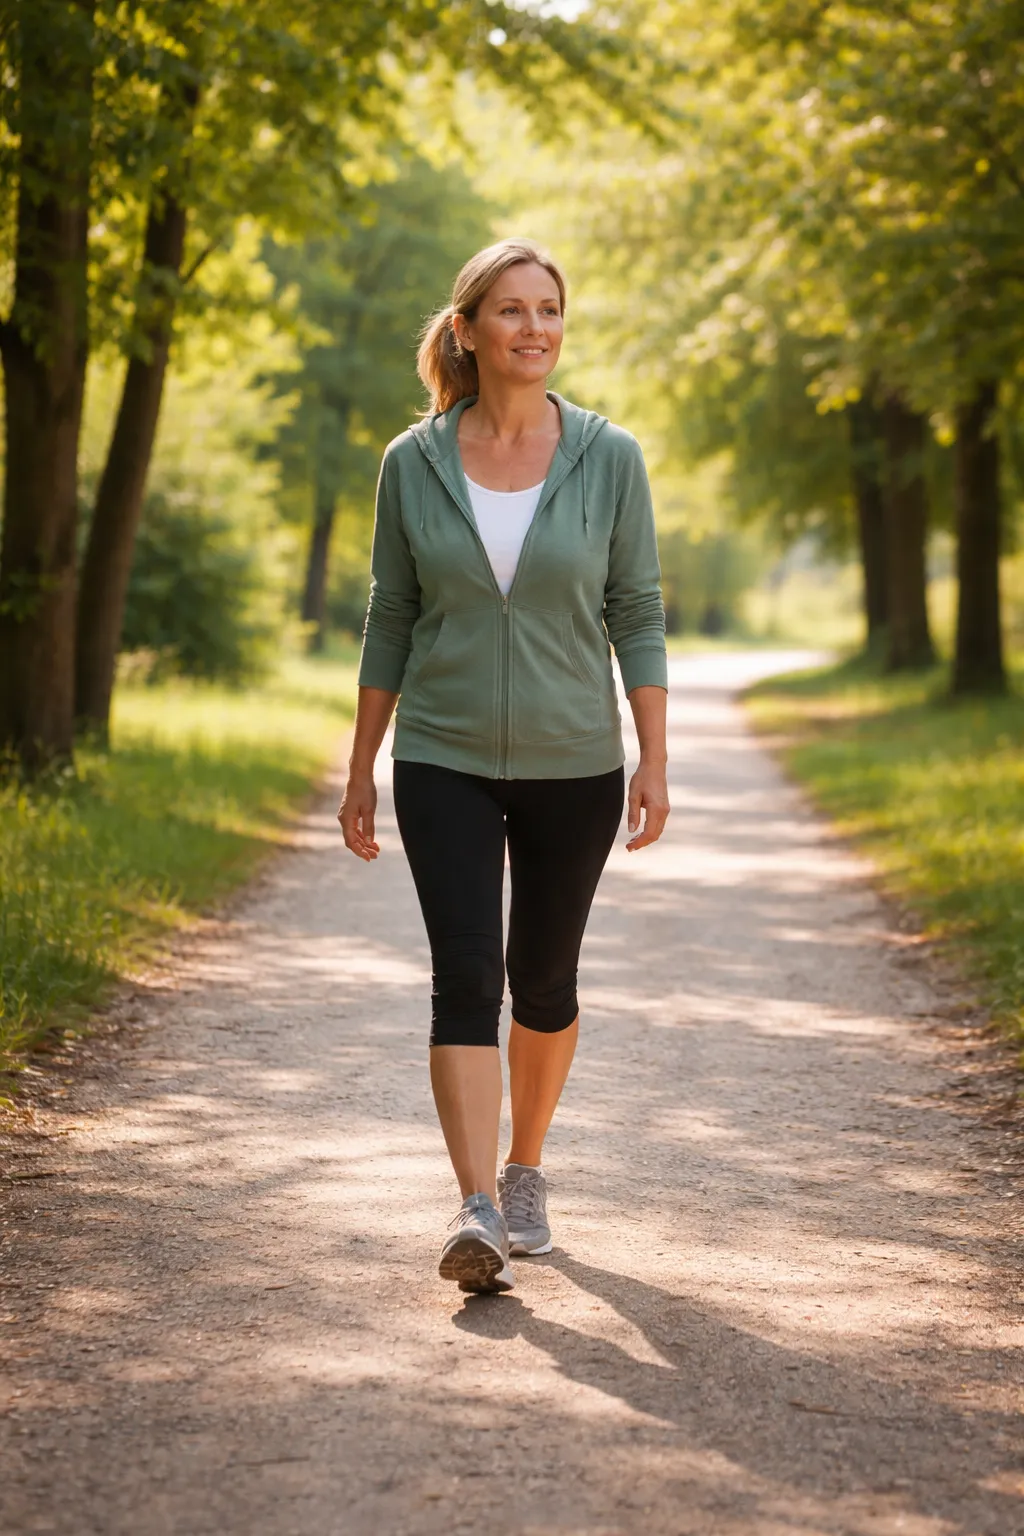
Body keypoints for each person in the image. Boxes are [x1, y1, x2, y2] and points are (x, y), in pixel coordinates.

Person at [338, 237, 669, 1294]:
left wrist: (653, 757)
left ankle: (527, 1168)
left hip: (576, 758)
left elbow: (637, 613)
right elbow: (390, 616)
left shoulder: (607, 456)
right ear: (469, 328)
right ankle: (475, 1203)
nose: (534, 328)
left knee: (543, 980)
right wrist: (360, 766)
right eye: (513, 310)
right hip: (442, 753)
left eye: (550, 310)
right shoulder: (413, 460)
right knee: (464, 976)